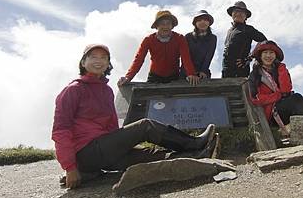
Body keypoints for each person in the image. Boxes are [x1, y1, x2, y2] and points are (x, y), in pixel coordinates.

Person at [52, 44, 219, 189]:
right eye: (93, 57)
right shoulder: (73, 89)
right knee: (145, 126)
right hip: (86, 152)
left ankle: (196, 155)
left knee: (148, 155)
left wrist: (122, 144)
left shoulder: (106, 90)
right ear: (83, 62)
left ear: (108, 63)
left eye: (103, 57)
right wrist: (70, 168)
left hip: (105, 150)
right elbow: (61, 131)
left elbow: (111, 126)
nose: (98, 60)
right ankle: (194, 142)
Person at [118, 10, 200, 87]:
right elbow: (139, 59)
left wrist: (191, 74)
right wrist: (128, 77)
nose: (165, 26)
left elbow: (186, 57)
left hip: (174, 77)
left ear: (172, 26)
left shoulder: (180, 38)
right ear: (157, 26)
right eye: (162, 24)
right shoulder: (148, 40)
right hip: (154, 77)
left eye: (168, 23)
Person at [222, 1, 266, 77]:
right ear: (232, 14)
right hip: (226, 70)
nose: (238, 13)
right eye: (236, 11)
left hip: (240, 70)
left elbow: (264, 41)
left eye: (242, 12)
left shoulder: (249, 29)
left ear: (246, 16)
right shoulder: (229, 30)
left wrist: (249, 58)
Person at [182, 10, 217, 79]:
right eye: (199, 20)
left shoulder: (213, 38)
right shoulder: (188, 37)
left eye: (205, 20)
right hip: (187, 72)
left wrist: (203, 71)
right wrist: (191, 73)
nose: (202, 22)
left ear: (209, 23)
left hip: (203, 72)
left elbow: (209, 56)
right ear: (195, 23)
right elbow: (185, 56)